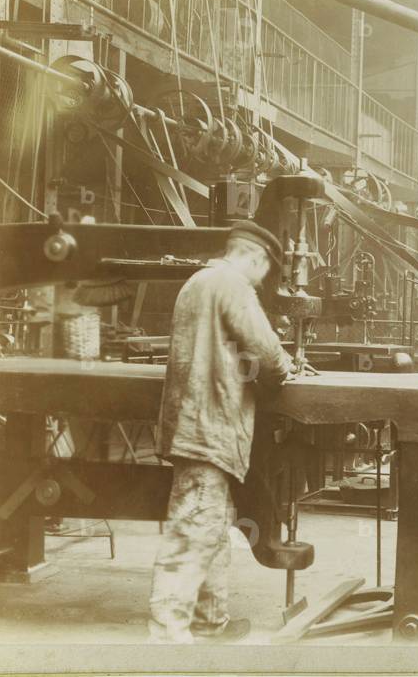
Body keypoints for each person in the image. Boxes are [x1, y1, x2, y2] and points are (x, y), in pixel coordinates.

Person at [148, 220, 303, 644]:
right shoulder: (233, 285)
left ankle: (209, 623)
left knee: (211, 529)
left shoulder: (197, 281)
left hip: (191, 426)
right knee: (190, 536)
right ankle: (165, 644)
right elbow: (267, 356)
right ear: (255, 257)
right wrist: (289, 367)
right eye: (265, 272)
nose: (264, 281)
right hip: (210, 428)